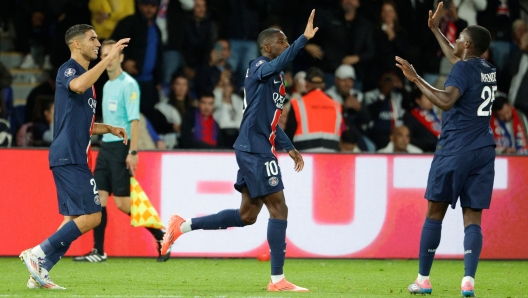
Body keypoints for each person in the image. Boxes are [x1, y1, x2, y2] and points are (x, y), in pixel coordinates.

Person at [160, 10, 319, 292]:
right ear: (268, 46)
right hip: (255, 149)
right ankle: (277, 280)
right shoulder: (258, 64)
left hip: (257, 145)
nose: (285, 45)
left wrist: (290, 148)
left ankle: (181, 226)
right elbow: (278, 64)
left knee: (247, 216)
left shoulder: (275, 76)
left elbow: (268, 120)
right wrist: (302, 39)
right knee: (279, 207)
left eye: (287, 41)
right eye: (282, 41)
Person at [395, 2, 497, 297]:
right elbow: (456, 56)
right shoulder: (487, 68)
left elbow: (445, 101)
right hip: (484, 149)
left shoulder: (463, 70)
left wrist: (416, 79)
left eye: (459, 37)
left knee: (434, 213)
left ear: (467, 43)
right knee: (473, 217)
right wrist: (434, 30)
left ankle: (423, 280)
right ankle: (468, 281)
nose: (456, 41)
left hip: (455, 148)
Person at [19, 24, 129, 289]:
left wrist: (108, 128)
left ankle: (40, 272)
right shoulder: (70, 70)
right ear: (76, 44)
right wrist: (109, 59)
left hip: (73, 154)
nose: (98, 43)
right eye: (93, 39)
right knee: (93, 216)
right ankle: (37, 254)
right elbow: (78, 85)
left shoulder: (87, 81)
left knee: (72, 219)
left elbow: (82, 123)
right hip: (69, 155)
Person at [73, 39, 169, 263]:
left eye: (112, 54)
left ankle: (162, 236)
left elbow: (134, 122)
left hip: (121, 148)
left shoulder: (129, 85)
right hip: (105, 147)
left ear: (121, 57)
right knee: (99, 200)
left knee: (123, 204)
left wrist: (133, 152)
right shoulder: (106, 85)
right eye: (104, 55)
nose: (107, 59)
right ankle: (98, 251)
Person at [285, 67, 343, 152]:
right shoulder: (337, 105)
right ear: (323, 85)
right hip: (331, 155)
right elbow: (342, 130)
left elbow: (289, 134)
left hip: (305, 155)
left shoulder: (297, 104)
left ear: (306, 84)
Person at [403, 87, 442, 152]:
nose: (431, 100)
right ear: (418, 100)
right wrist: (432, 143)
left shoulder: (435, 115)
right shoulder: (410, 116)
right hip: (424, 153)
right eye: (427, 97)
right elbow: (410, 139)